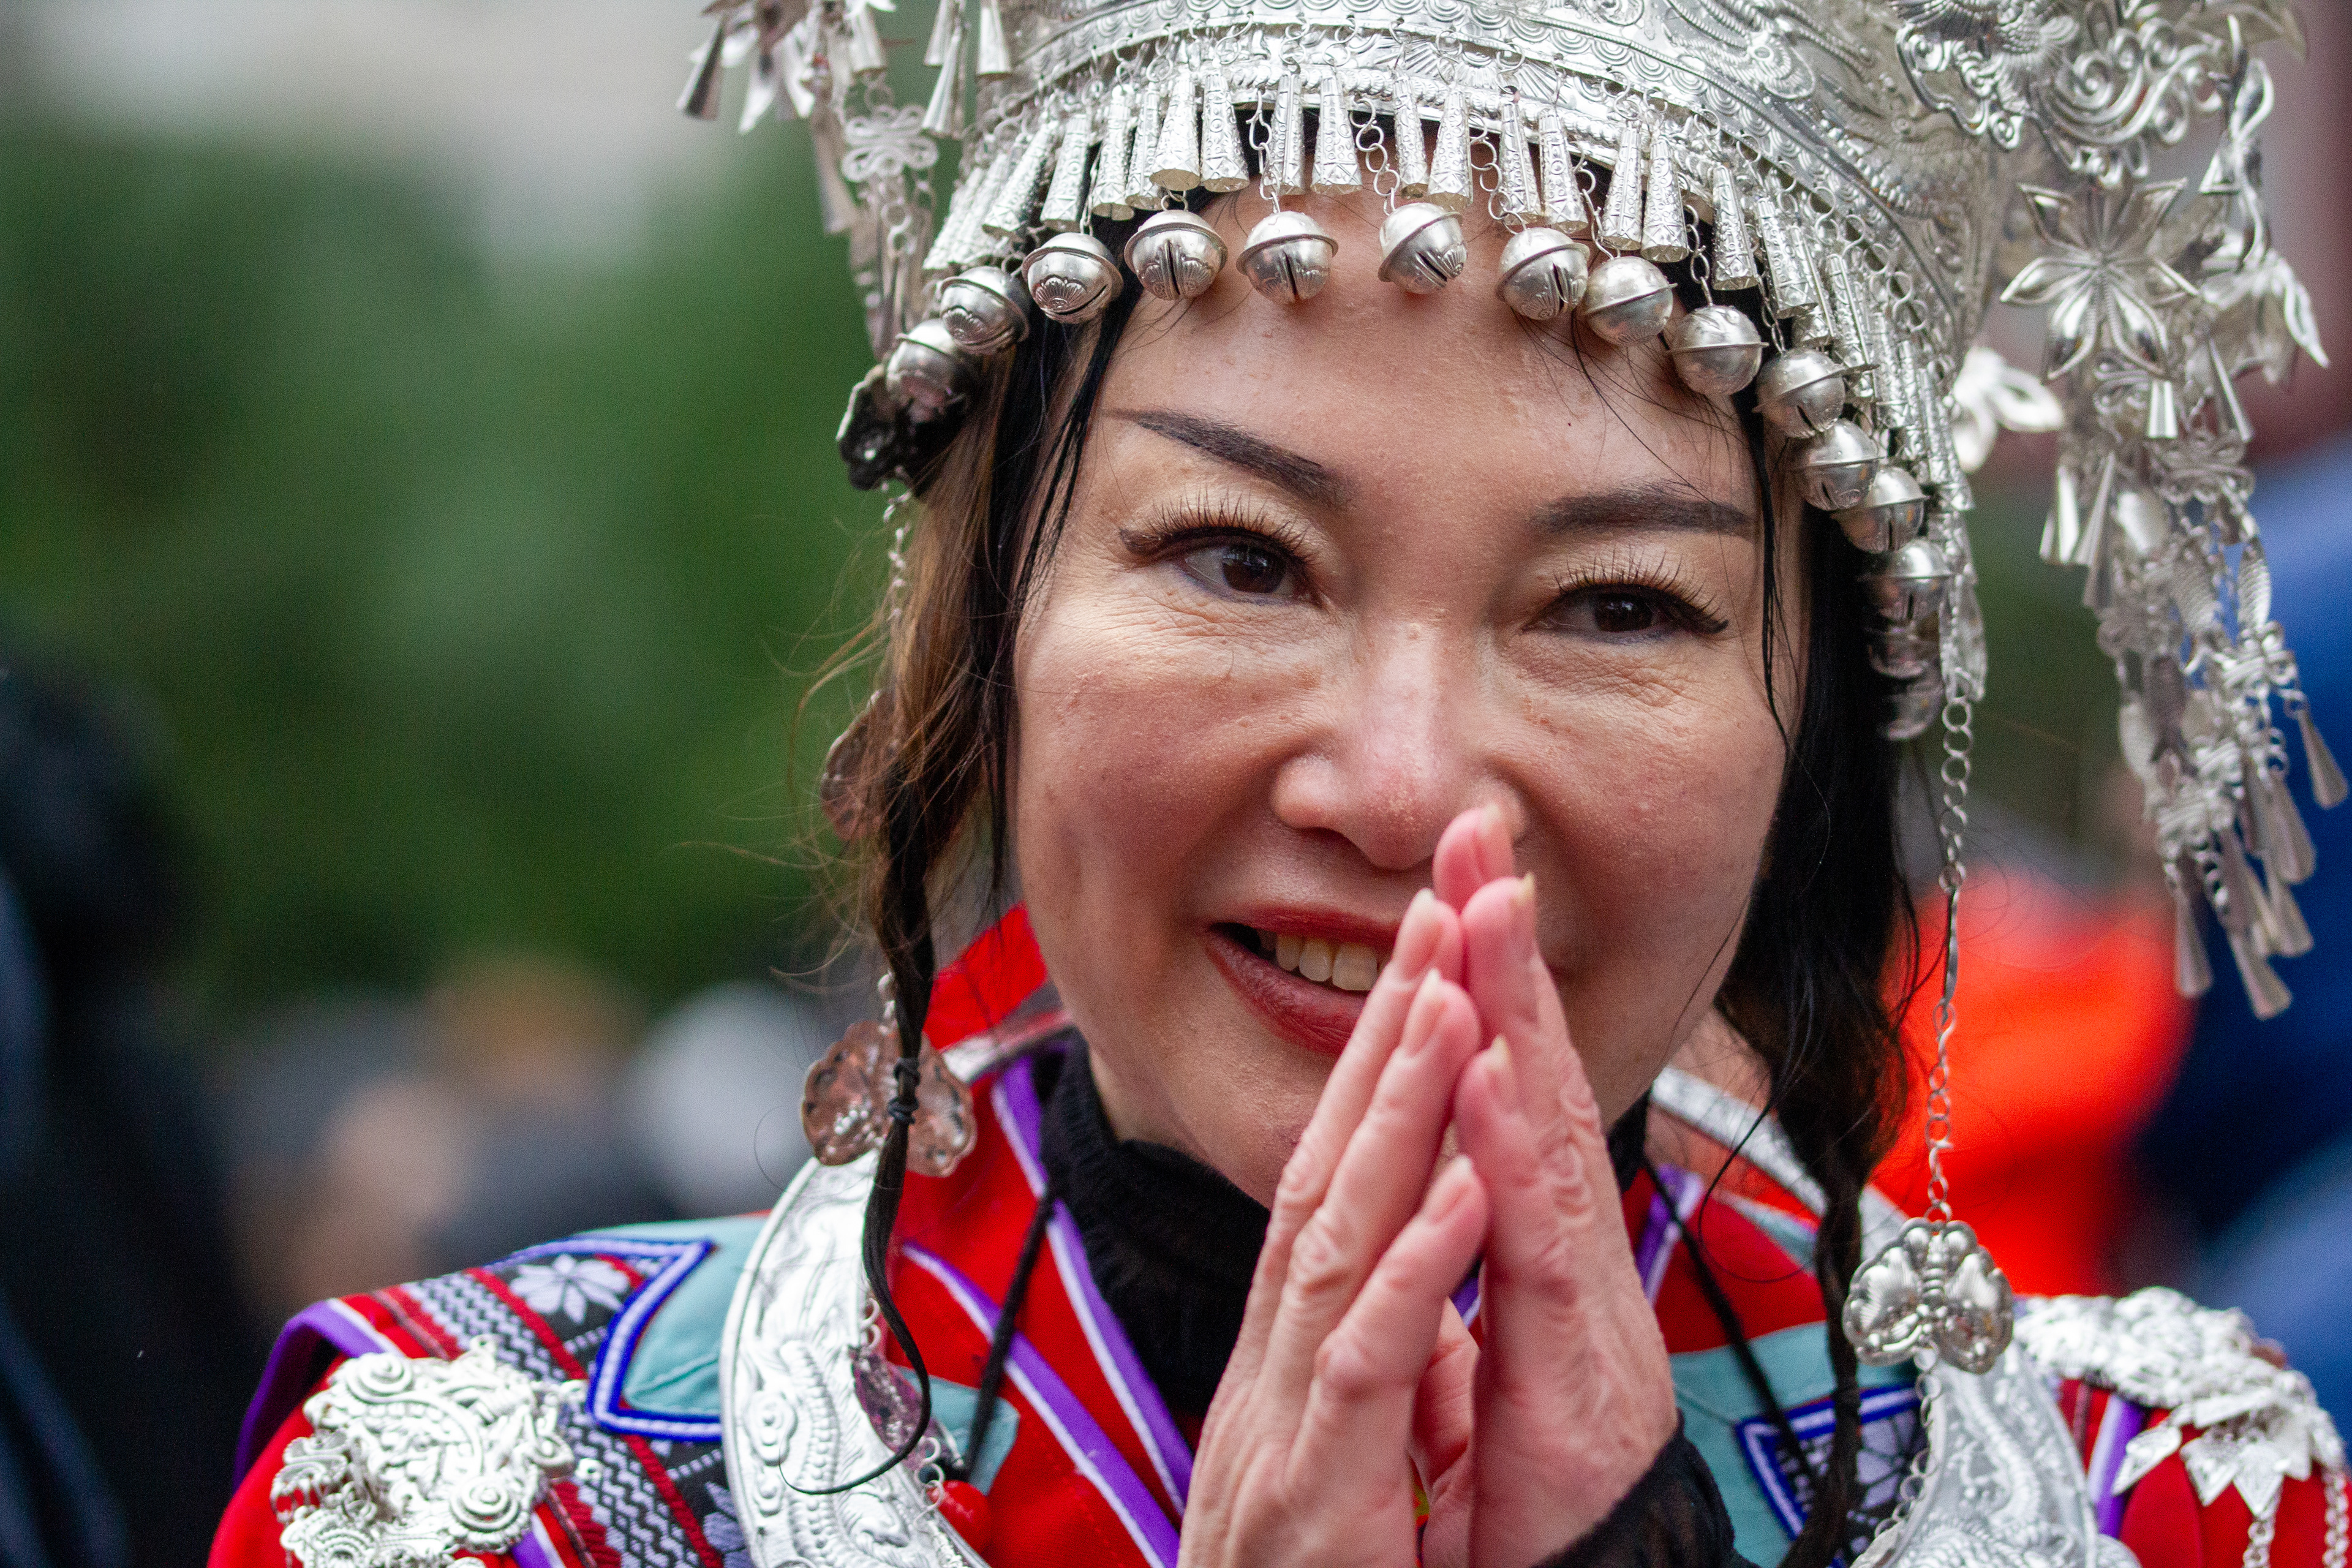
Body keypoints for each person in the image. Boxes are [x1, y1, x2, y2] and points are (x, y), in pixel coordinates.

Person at [211, 3, 2346, 1567]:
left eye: (1616, 609)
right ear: (991, 627)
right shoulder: (507, 1495)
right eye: (1240, 559)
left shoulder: (2163, 1509)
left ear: (1809, 748)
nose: (1412, 787)